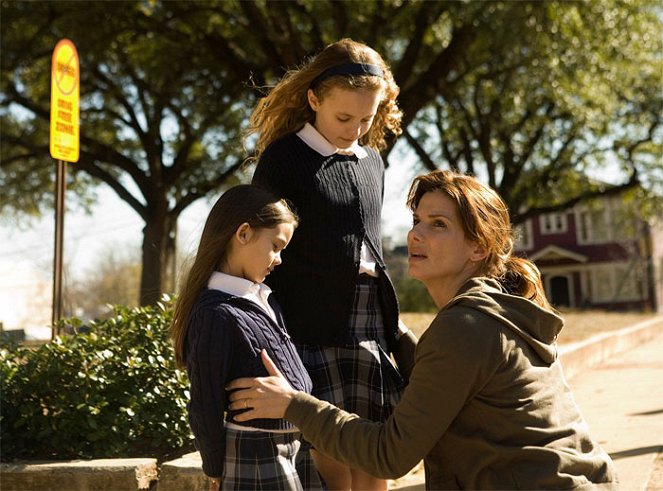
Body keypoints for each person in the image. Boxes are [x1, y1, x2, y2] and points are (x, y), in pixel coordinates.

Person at [226, 170, 619, 489]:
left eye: (438, 225)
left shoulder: (464, 326)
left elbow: (390, 455)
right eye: (417, 221)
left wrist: (293, 404)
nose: (416, 234)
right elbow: (451, 382)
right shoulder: (496, 313)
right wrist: (393, 333)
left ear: (478, 248)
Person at [246, 38, 416, 491]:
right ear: (314, 98)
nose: (355, 129)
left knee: (374, 450)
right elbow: (263, 244)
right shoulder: (283, 159)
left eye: (366, 119)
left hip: (370, 320)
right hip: (310, 321)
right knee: (330, 453)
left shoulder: (373, 161)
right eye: (344, 118)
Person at [169, 184, 313, 491]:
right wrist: (214, 466)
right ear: (244, 233)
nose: (279, 259)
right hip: (254, 454)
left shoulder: (265, 299)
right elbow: (204, 402)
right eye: (276, 246)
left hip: (291, 447)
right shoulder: (215, 313)